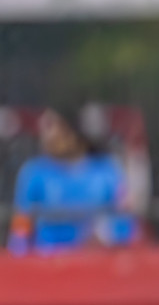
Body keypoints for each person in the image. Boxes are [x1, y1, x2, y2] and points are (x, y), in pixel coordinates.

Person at [8, 107, 136, 255]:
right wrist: (19, 256)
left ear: (73, 131)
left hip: (98, 262)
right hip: (48, 265)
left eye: (51, 126)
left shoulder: (107, 170)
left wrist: (107, 234)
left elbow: (127, 224)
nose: (46, 135)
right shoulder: (34, 173)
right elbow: (21, 226)